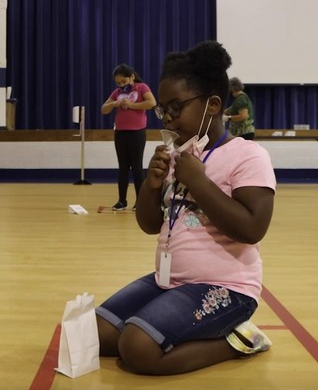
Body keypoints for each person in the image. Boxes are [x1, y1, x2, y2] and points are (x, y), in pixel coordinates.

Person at [95, 41, 276, 375]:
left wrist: (200, 183)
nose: (168, 118)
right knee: (96, 335)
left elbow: (252, 229)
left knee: (137, 348)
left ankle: (238, 340)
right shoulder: (179, 154)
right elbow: (150, 225)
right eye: (163, 110)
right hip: (171, 280)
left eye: (177, 107)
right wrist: (151, 186)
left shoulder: (248, 155)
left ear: (213, 105)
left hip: (227, 289)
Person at [101, 64, 156, 210]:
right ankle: (122, 200)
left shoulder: (141, 87)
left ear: (131, 77)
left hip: (137, 133)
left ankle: (140, 201)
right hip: (120, 133)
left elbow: (152, 103)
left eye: (123, 82)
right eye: (118, 83)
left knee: (137, 167)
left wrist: (131, 105)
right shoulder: (117, 92)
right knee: (123, 167)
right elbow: (103, 109)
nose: (121, 85)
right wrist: (114, 103)